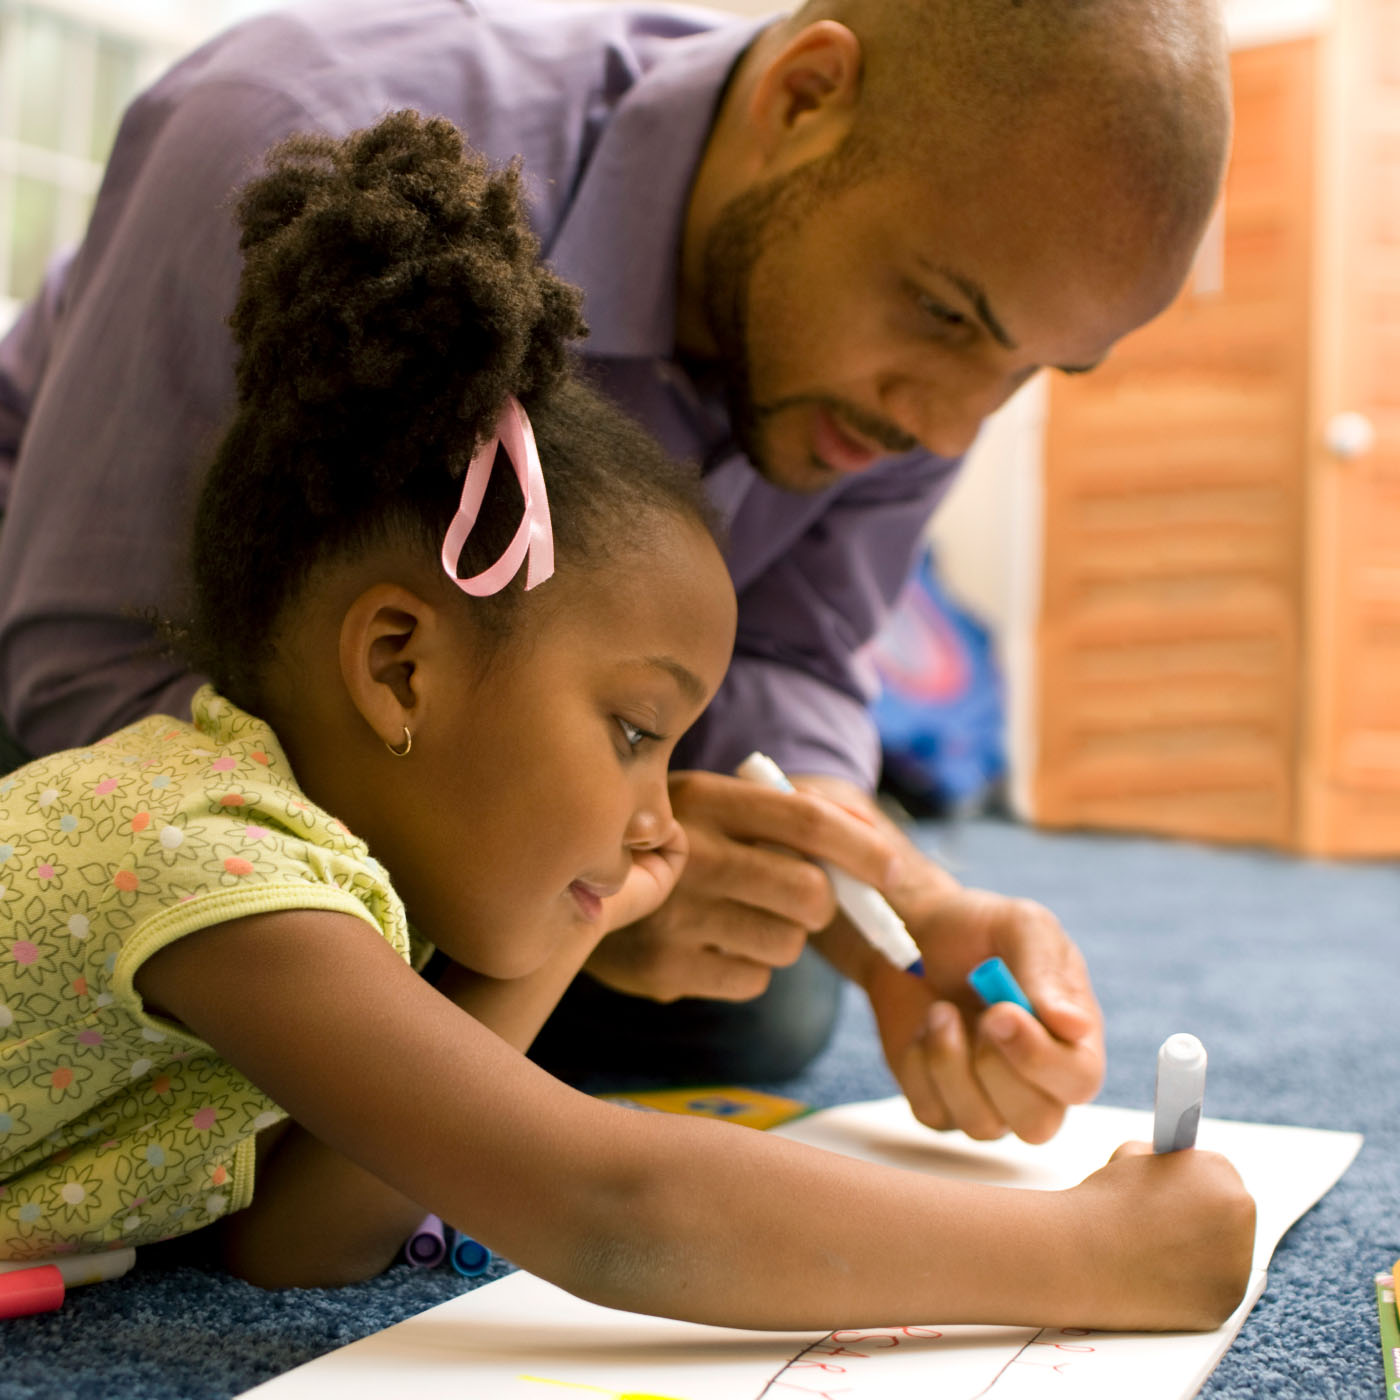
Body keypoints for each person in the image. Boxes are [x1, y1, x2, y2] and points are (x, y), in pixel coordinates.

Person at [0, 113, 1255, 1324]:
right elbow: (610, 1202)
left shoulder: (286, 864)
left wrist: (564, 922)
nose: (661, 809)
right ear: (398, 667)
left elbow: (305, 1242)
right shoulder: (207, 855)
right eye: (635, 731)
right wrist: (1087, 1253)